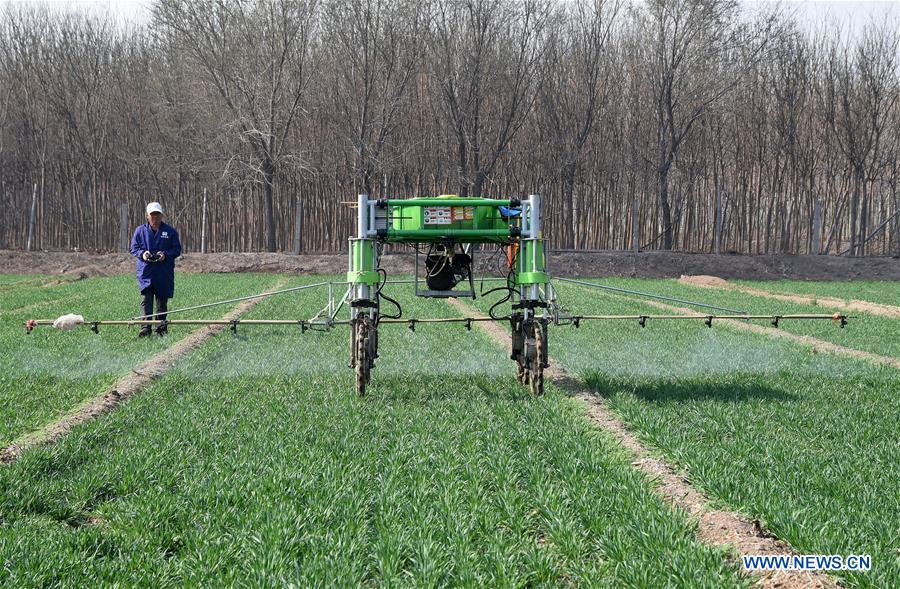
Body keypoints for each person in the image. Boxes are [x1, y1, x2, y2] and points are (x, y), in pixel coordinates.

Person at [129, 202, 182, 337]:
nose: (155, 217)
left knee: (161, 302)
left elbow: (177, 249)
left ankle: (161, 328)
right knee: (146, 301)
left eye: (158, 214)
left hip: (163, 273)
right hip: (146, 273)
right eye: (152, 215)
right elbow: (133, 248)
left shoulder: (170, 232)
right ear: (147, 216)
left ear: (161, 215)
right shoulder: (140, 231)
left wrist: (165, 255)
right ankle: (146, 328)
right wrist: (143, 254)